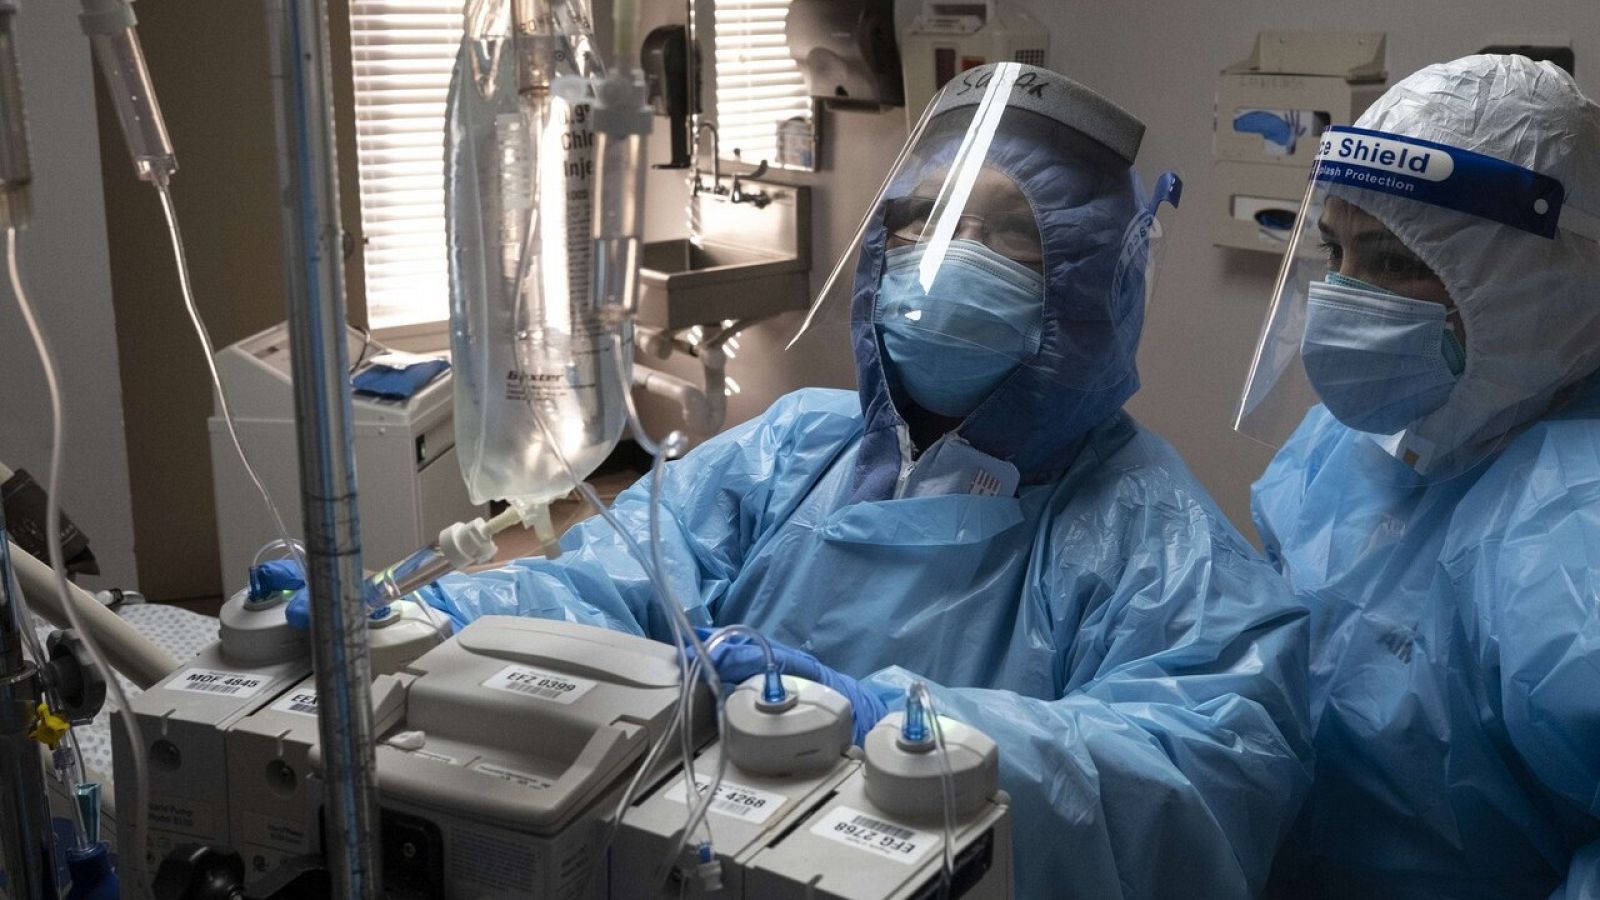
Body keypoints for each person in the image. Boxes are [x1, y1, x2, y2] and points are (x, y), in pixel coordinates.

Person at [434, 63, 1313, 898]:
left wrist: (902, 728)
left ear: (1089, 283)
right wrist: (438, 623)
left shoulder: (1150, 532)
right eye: (923, 217)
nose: (949, 257)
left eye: (1009, 234)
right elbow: (610, 579)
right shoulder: (794, 446)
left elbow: (1201, 773)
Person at [1237, 54, 1600, 899]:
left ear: (1541, 285)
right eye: (1335, 251)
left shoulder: (1577, 531)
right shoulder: (1347, 443)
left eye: (1395, 262)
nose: (1343, 295)